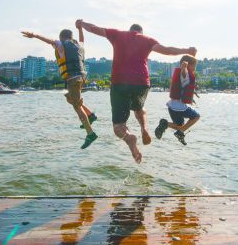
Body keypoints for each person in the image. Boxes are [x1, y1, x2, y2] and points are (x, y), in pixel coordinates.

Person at [76, 20, 197, 163]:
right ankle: (144, 128)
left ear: (129, 30)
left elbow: (94, 28)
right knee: (139, 107)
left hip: (119, 82)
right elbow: (167, 50)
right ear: (141, 32)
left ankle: (129, 137)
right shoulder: (147, 40)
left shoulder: (117, 34)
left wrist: (81, 24)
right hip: (141, 83)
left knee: (118, 126)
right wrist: (186, 51)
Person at [21, 26, 98, 149]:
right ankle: (90, 116)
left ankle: (90, 134)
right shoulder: (79, 44)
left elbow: (50, 41)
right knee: (71, 99)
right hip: (81, 77)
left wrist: (34, 35)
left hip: (73, 78)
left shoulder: (61, 44)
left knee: (77, 106)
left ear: (61, 38)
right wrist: (80, 29)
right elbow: (82, 39)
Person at [155, 54, 200, 145]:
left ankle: (165, 124)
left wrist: (191, 98)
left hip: (172, 107)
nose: (195, 69)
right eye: (194, 66)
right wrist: (184, 67)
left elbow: (184, 91)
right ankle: (180, 132)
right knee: (196, 116)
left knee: (179, 126)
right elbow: (184, 73)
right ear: (188, 66)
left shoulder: (180, 76)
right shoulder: (185, 74)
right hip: (180, 108)